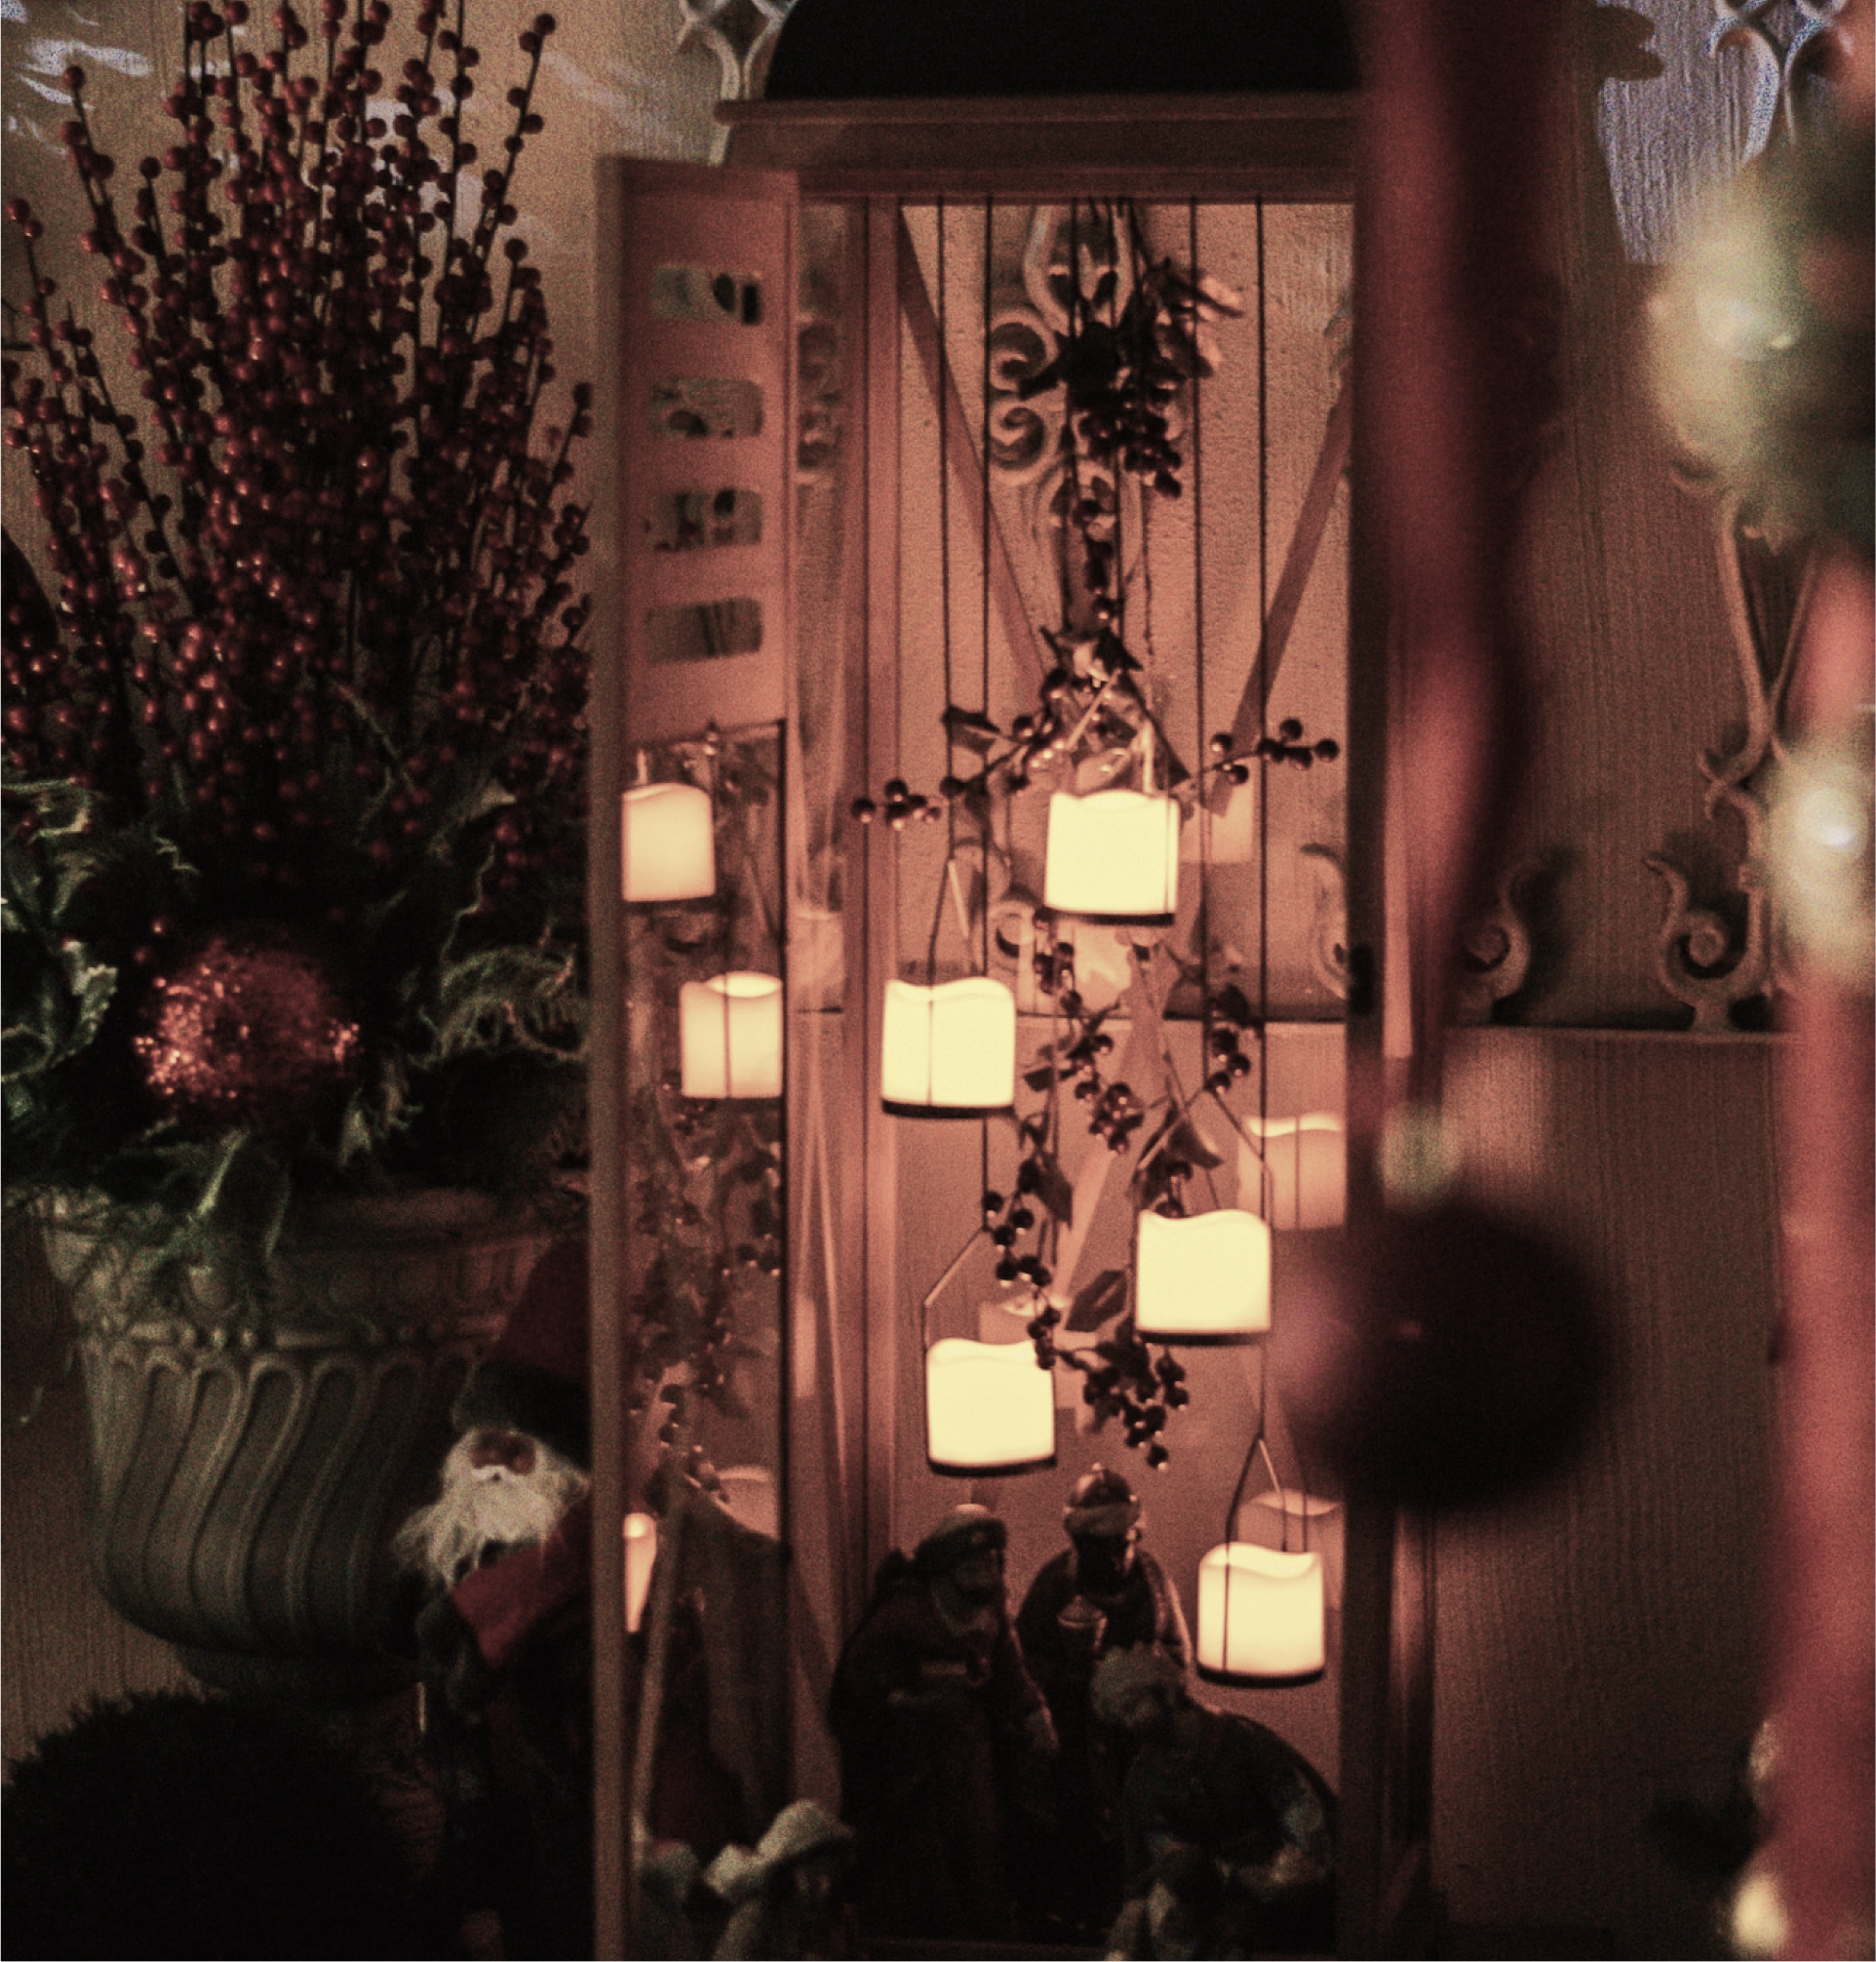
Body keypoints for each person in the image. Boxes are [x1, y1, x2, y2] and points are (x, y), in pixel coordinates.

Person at [826, 1504, 1058, 1940]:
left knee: (981, 1851)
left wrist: (1034, 1713)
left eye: (991, 1563)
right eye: (972, 1566)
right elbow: (862, 1678)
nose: (985, 1574)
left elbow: (1010, 1673)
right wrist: (907, 1699)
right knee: (921, 1866)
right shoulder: (903, 1615)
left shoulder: (992, 1615)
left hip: (971, 1756)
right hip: (915, 1764)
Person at [1015, 1465, 1193, 1935]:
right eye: (1100, 1547)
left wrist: (1148, 1678)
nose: (1113, 1558)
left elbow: (1177, 1654)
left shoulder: (1153, 1581)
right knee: (1072, 1830)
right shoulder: (1055, 1583)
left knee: (1140, 1830)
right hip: (1072, 1736)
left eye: (1122, 1544)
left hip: (1136, 1736)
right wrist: (1070, 1675)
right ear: (1079, 1541)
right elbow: (1024, 1663)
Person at [1091, 1647, 1336, 1955]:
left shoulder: (1240, 1741)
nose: (1130, 1723)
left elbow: (1296, 1803)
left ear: (1163, 1691)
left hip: (1271, 1875)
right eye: (1120, 1717)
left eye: (1133, 1707)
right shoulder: (1145, 1779)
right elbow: (1163, 1854)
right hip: (1205, 1887)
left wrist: (1297, 1867)